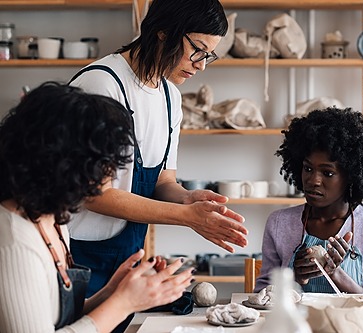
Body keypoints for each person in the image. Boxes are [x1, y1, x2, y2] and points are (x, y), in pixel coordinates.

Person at [68, 0, 248, 300]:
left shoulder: (169, 98)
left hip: (126, 260)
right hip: (78, 257)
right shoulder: (102, 84)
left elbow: (162, 181)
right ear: (164, 32)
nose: (202, 65)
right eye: (198, 50)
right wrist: (186, 216)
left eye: (209, 56)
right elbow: (95, 194)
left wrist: (188, 200)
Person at [0, 82, 194, 333]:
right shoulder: (16, 241)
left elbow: (59, 319)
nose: (110, 176)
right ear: (64, 162)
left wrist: (112, 293)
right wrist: (123, 304)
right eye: (104, 164)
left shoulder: (53, 220)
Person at [255, 107, 363, 300]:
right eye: (308, 168)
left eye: (328, 173)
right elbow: (261, 295)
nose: (313, 180)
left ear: (351, 177)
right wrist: (293, 280)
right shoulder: (279, 223)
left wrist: (336, 274)